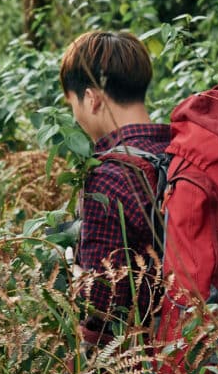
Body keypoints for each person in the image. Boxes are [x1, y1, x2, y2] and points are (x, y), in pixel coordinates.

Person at [59, 30, 172, 349]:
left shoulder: (106, 176)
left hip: (146, 370)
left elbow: (101, 306)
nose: (75, 116)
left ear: (92, 99)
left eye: (73, 104)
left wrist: (72, 272)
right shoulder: (178, 148)